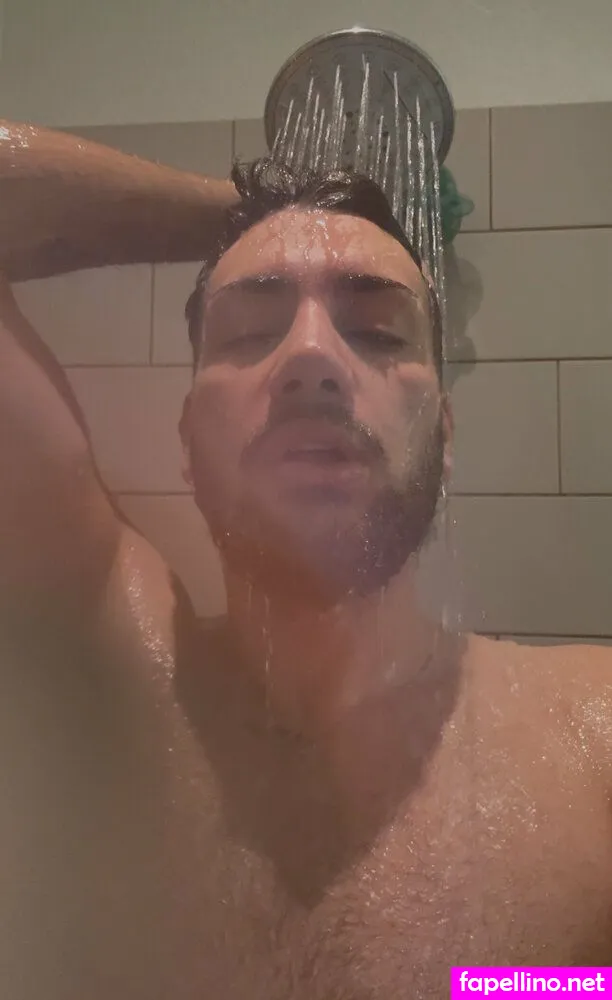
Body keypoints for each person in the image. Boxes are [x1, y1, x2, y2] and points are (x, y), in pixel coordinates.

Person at [1, 121, 611, 1000]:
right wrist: (248, 213)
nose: (313, 356)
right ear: (188, 438)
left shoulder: (595, 749)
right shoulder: (100, 693)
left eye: (378, 332)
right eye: (252, 329)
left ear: (443, 437)